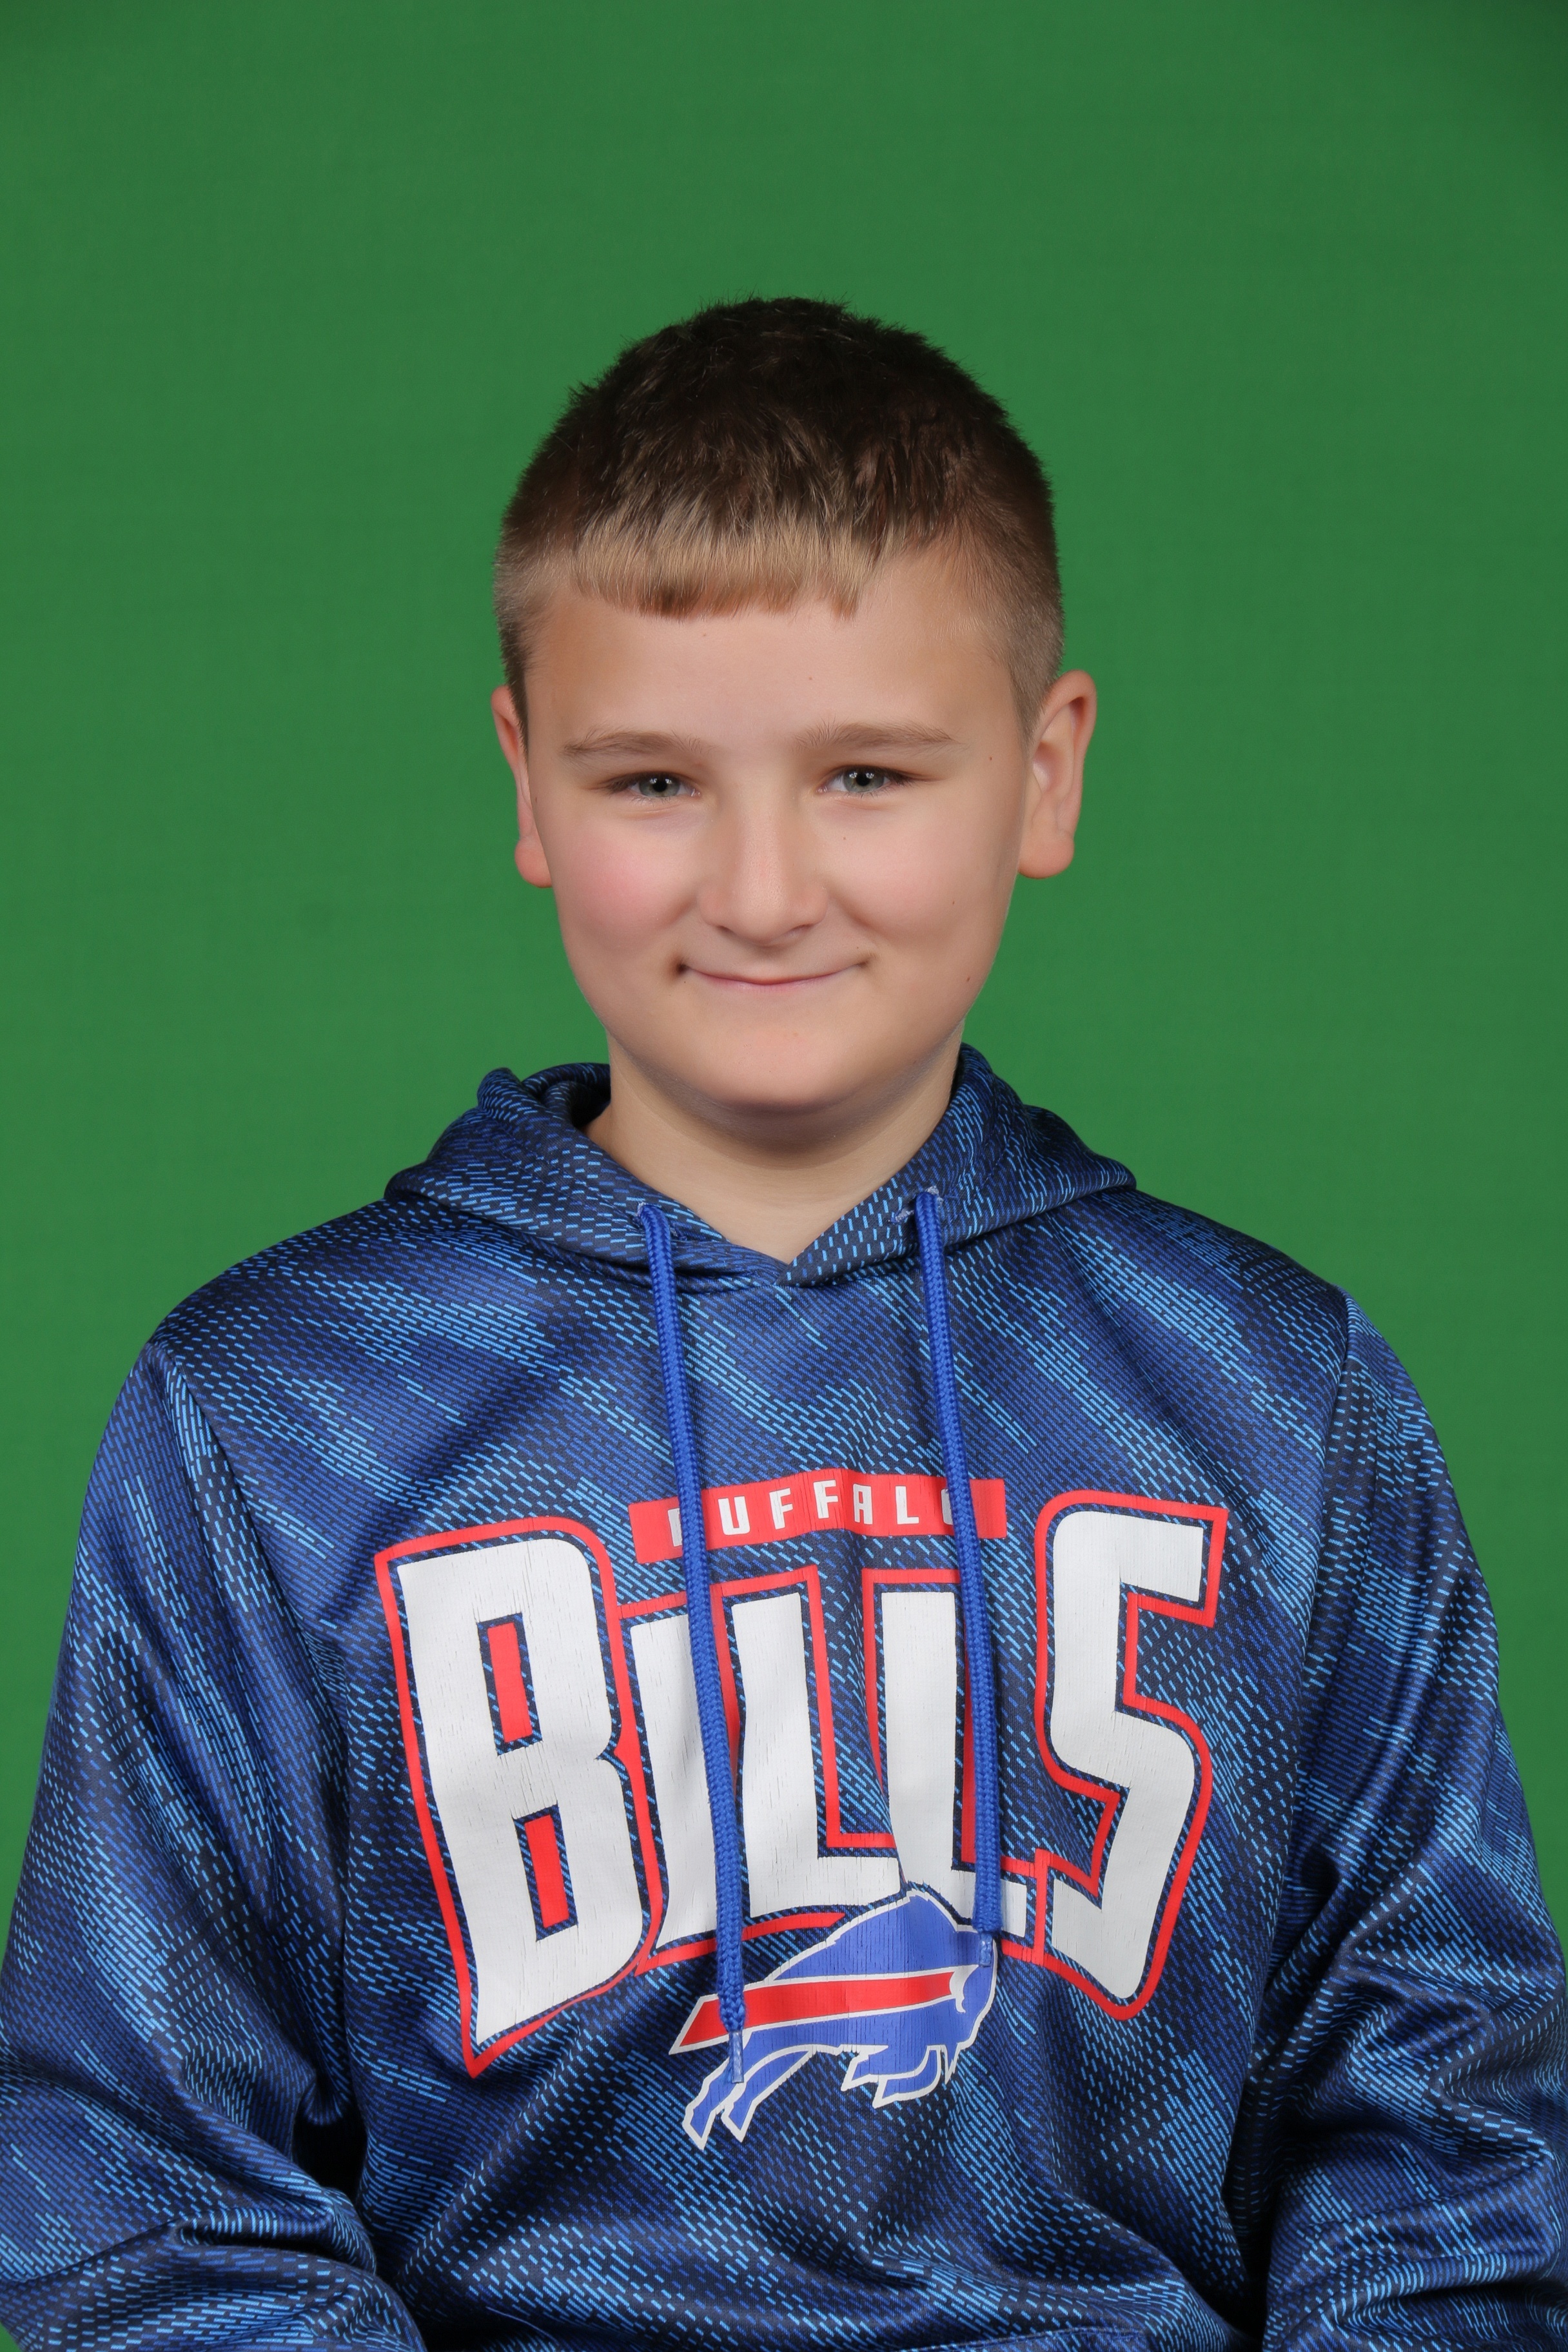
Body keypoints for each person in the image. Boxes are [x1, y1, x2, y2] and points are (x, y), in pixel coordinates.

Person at [0, 297, 1562, 2351]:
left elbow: (1450, 2151)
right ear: (527, 781)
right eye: (654, 778)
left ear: (1046, 771)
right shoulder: (279, 1416)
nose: (758, 889)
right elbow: (137, 2185)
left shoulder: (1274, 1402)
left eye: (865, 775)